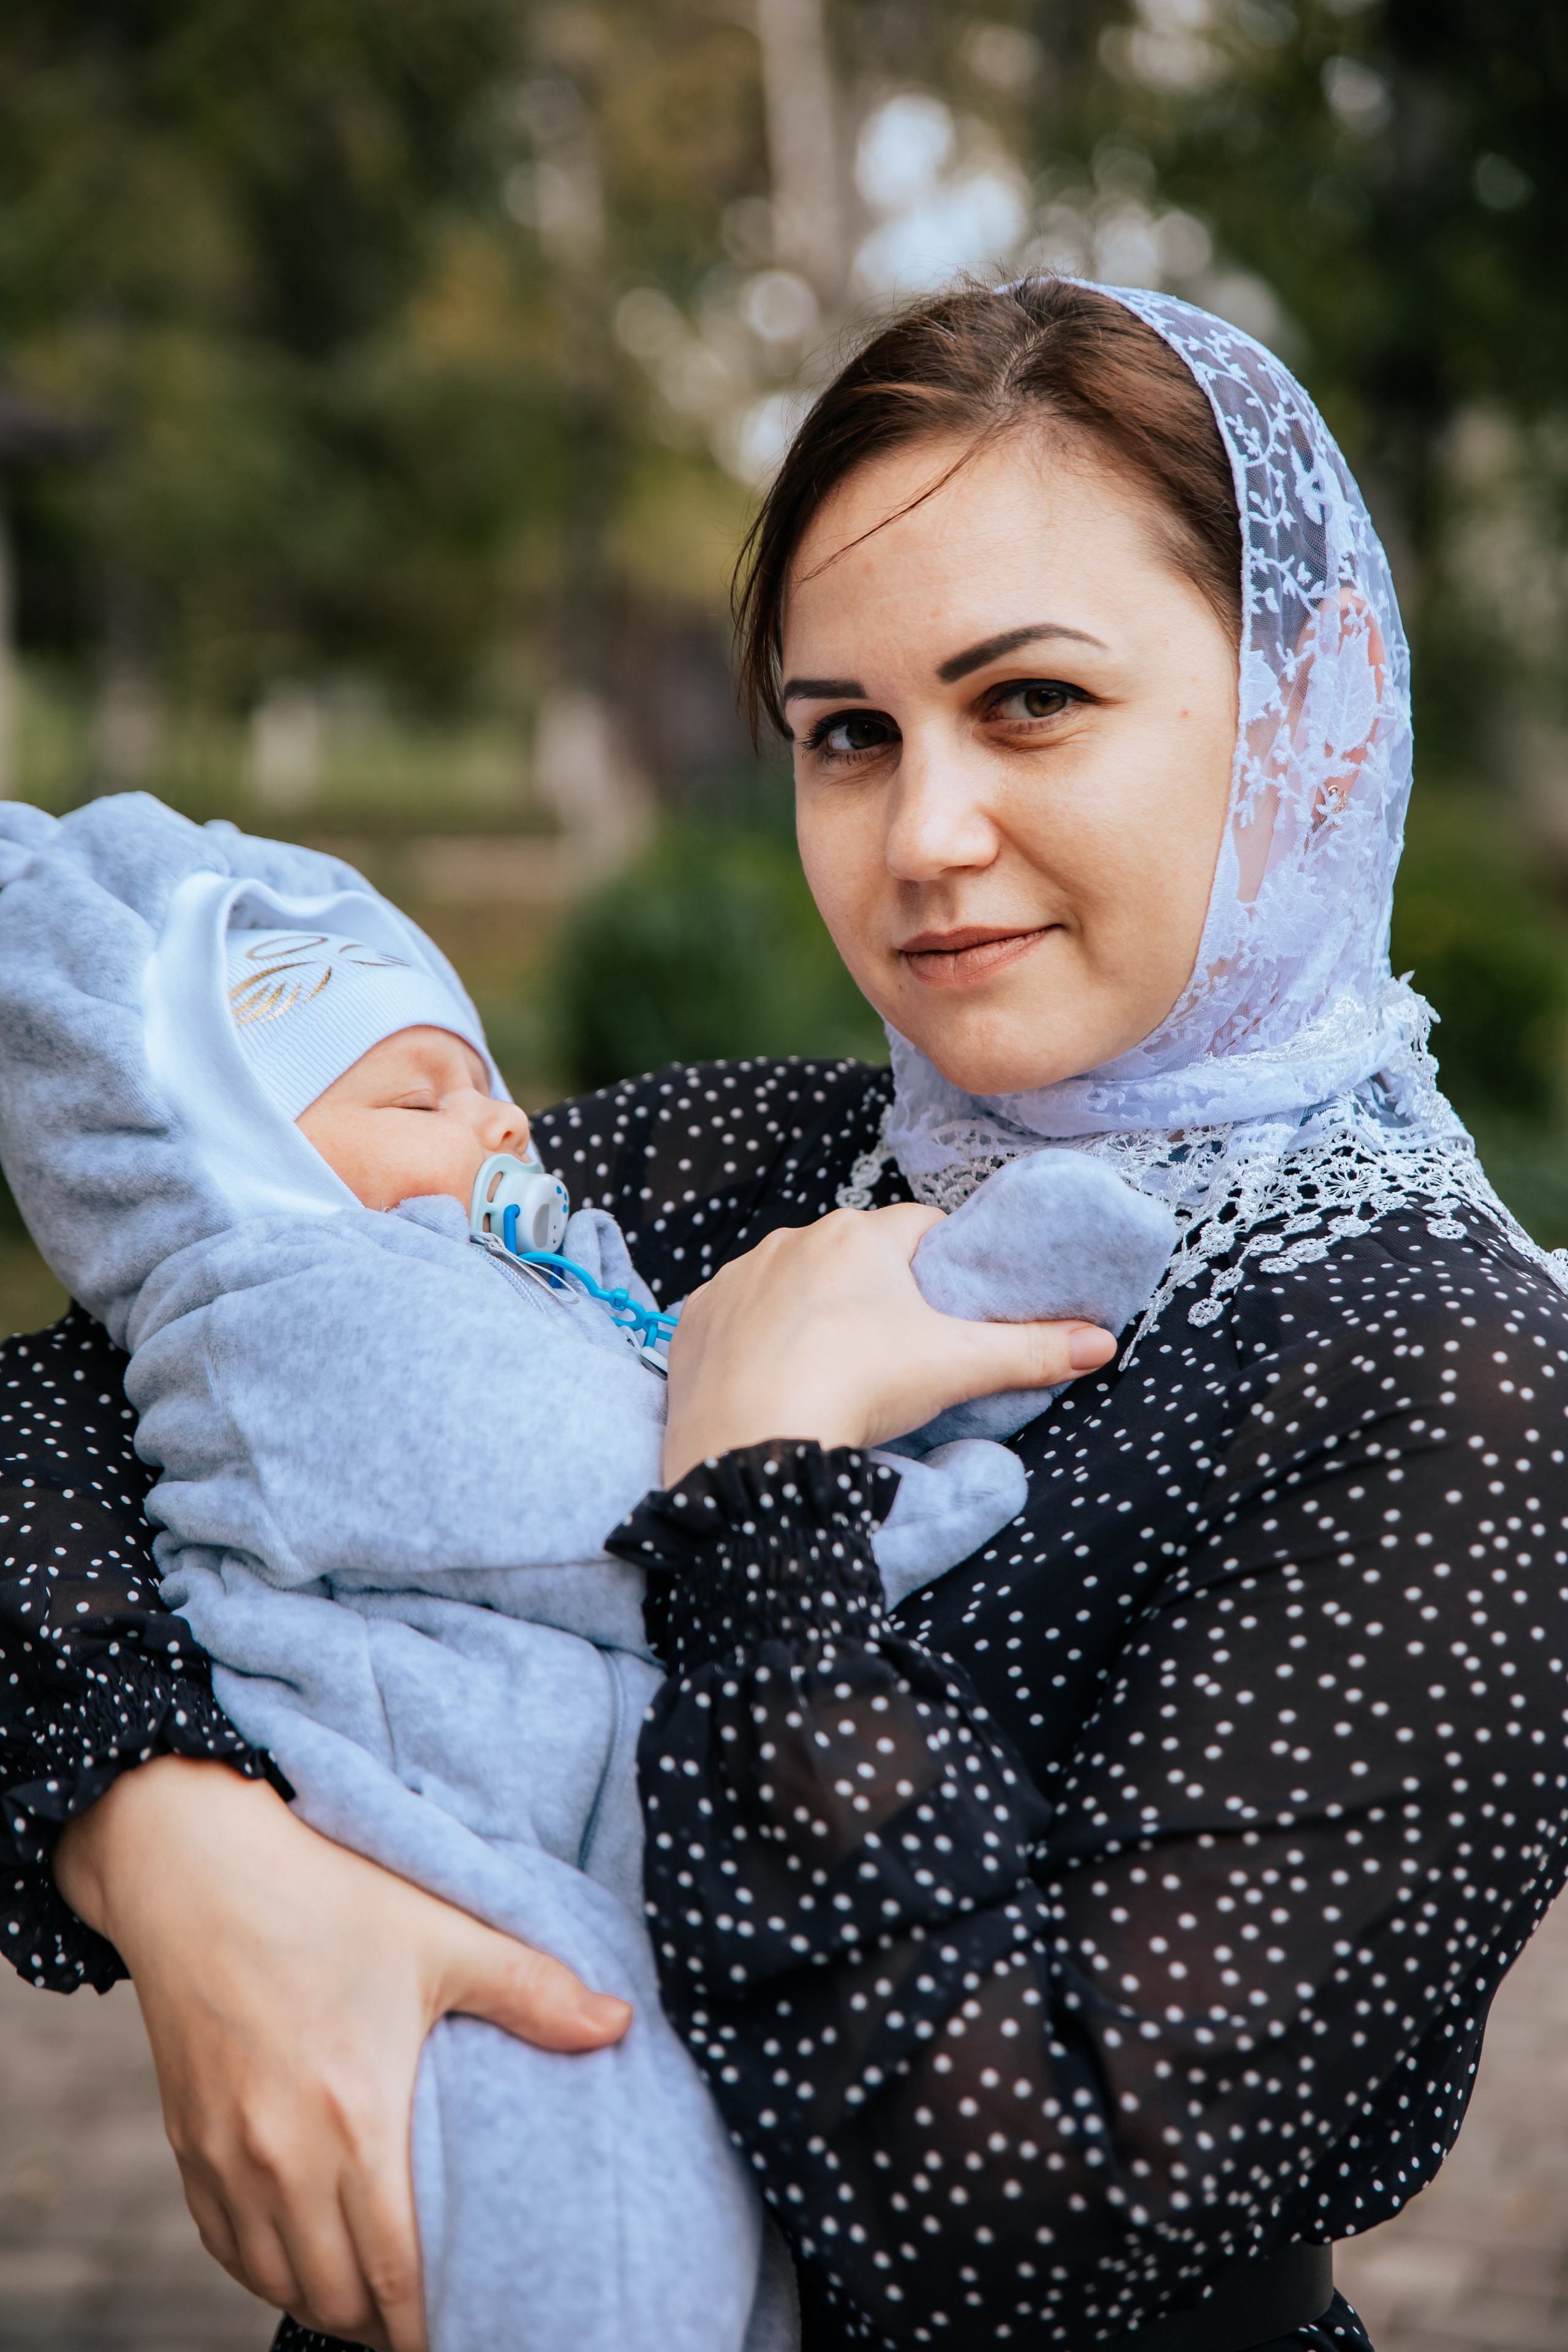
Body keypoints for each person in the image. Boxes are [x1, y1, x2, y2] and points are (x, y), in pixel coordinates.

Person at [4, 274, 1567, 2352]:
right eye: (848, 734)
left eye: (1031, 702)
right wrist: (193, 1865)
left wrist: (757, 1500)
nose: (924, 836)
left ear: (1319, 703)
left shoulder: (1449, 1382)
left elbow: (1025, 2214)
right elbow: (91, 1403)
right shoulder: (742, 1160)